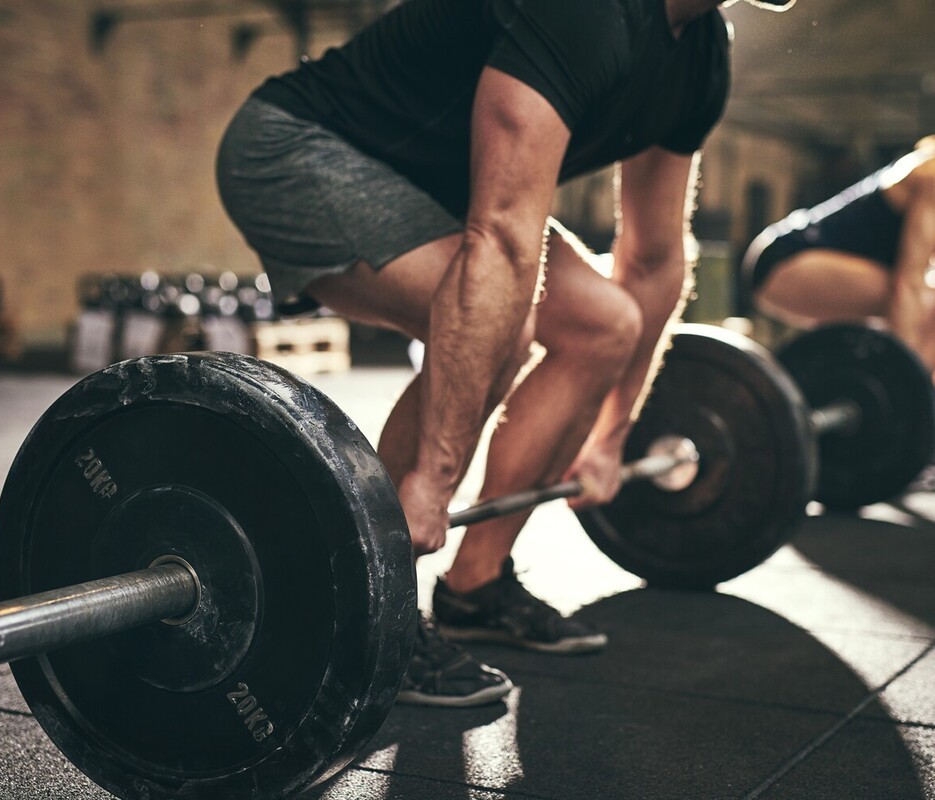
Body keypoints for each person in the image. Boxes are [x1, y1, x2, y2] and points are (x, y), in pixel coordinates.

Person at [217, 0, 796, 708]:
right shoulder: (590, 12)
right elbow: (500, 235)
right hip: (299, 150)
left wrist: (613, 434)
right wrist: (432, 479)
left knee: (603, 325)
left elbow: (650, 260)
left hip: (435, 190)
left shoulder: (699, 51)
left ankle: (476, 586)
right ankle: (363, 615)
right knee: (501, 331)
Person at [743, 136, 935, 369]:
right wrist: (909, 381)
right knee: (925, 302)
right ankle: (912, 393)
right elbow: (907, 283)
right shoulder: (931, 173)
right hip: (784, 260)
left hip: (799, 260)